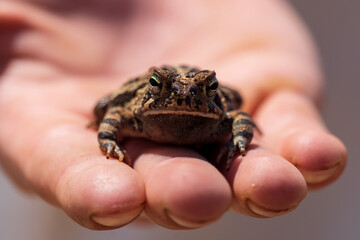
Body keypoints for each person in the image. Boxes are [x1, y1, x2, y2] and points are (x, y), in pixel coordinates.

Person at [0, 0, 347, 230]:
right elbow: (112, 113)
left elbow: (240, 114)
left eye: (203, 90)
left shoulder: (220, 118)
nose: (183, 97)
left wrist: (239, 144)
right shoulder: (133, 112)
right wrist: (107, 139)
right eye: (160, 86)